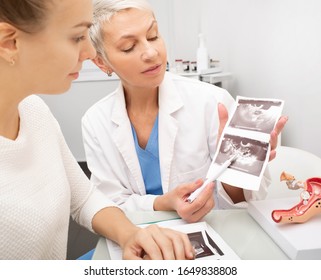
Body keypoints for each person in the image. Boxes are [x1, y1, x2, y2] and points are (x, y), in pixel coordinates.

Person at [0, 0, 195, 260]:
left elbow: (84, 198)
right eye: (77, 36)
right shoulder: (92, 117)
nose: (91, 51)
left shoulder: (34, 111)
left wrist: (131, 235)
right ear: (9, 42)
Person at [82, 0, 287, 223]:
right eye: (129, 47)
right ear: (102, 63)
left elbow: (243, 206)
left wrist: (235, 173)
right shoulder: (95, 121)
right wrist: (162, 203)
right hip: (137, 236)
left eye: (153, 36)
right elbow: (108, 202)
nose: (151, 53)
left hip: (210, 235)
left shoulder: (212, 103)